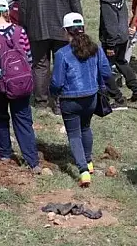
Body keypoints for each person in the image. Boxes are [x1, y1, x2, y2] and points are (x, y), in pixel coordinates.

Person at [0, 0, 41, 172]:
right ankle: (32, 161)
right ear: (7, 11)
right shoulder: (20, 31)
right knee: (23, 119)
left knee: (0, 116)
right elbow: (28, 57)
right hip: (21, 81)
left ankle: (5, 152)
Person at [50, 13, 112, 188]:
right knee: (85, 128)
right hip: (91, 97)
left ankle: (83, 170)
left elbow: (57, 82)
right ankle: (89, 162)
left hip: (70, 99)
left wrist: (53, 94)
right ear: (83, 28)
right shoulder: (96, 49)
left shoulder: (62, 54)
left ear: (65, 31)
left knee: (74, 134)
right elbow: (106, 73)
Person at [20, 0, 82, 110]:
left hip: (37, 28)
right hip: (63, 30)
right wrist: (79, 29)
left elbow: (23, 7)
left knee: (40, 65)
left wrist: (25, 27)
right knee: (62, 64)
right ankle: (59, 102)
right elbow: (75, 5)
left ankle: (40, 101)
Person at [81, 0, 137, 107]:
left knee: (104, 67)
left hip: (113, 39)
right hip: (123, 35)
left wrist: (110, 44)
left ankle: (118, 99)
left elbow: (110, 23)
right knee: (122, 62)